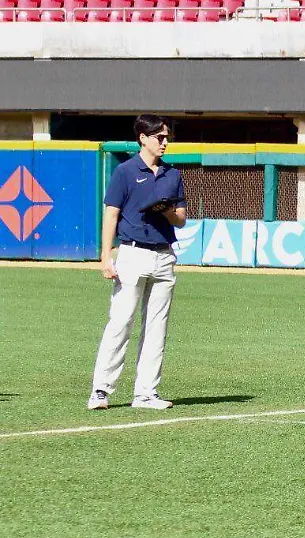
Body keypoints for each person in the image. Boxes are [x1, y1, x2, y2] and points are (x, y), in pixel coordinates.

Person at [87, 114, 188, 411]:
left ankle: (145, 393)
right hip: (132, 253)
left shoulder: (172, 174)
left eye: (167, 137)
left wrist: (166, 210)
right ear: (143, 138)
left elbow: (181, 219)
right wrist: (106, 255)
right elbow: (111, 214)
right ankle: (101, 390)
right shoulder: (125, 171)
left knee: (157, 327)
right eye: (160, 137)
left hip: (164, 255)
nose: (165, 142)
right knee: (121, 322)